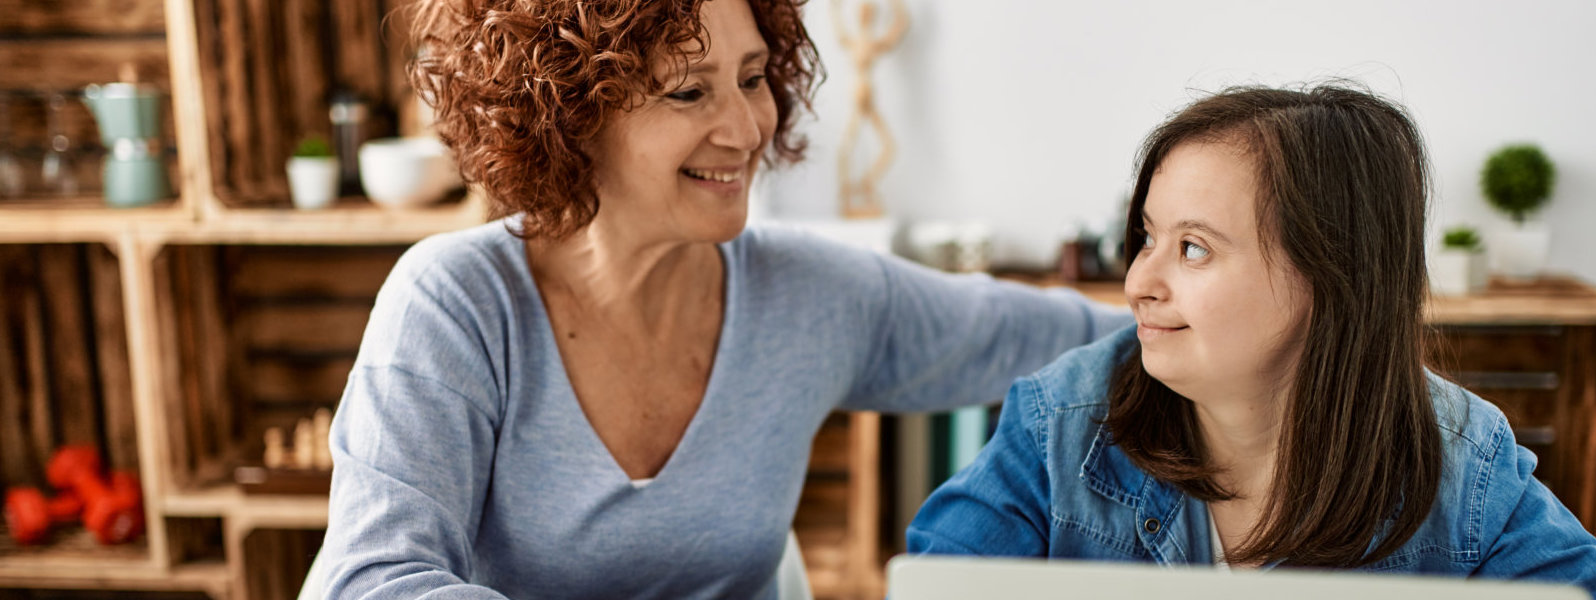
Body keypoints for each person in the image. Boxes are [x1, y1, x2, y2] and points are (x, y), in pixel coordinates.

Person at [310, 0, 1130, 598]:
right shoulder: (456, 304)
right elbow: (373, 580)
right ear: (572, 115)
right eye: (689, 92)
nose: (746, 129)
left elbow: (1043, 335)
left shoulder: (811, 296)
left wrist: (1207, 321)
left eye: (752, 78)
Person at [905, 85, 1596, 599]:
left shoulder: (1465, 466)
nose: (1138, 282)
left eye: (1193, 248)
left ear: (1330, 277)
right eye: (1147, 238)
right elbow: (936, 584)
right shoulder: (1058, 425)